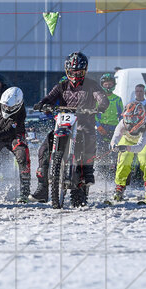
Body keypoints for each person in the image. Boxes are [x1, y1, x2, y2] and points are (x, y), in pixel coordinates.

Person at [31, 51, 109, 204]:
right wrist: (42, 104)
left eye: (78, 72)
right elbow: (49, 98)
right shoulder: (61, 86)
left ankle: (87, 172)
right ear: (67, 71)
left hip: (83, 123)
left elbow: (102, 98)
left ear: (84, 71)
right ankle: (42, 188)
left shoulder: (92, 85)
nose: (75, 75)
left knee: (90, 139)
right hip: (63, 124)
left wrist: (101, 105)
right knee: (44, 149)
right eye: (72, 72)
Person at [110, 101, 146, 202]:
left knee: (145, 157)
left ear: (141, 117)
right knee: (124, 159)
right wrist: (114, 145)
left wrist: (126, 147)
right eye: (127, 118)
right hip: (128, 139)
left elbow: (140, 147)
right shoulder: (122, 123)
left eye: (133, 119)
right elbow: (116, 136)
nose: (129, 121)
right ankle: (119, 186)